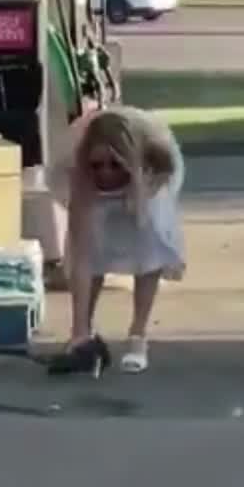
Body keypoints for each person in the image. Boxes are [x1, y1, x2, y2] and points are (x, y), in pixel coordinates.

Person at [45, 105, 186, 375]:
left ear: (128, 160)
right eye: (97, 165)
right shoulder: (75, 164)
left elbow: (151, 251)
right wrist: (78, 332)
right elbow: (82, 252)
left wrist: (137, 190)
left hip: (144, 180)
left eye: (114, 164)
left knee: (147, 245)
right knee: (93, 246)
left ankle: (138, 335)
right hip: (91, 177)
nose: (106, 173)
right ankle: (82, 333)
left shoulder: (157, 157)